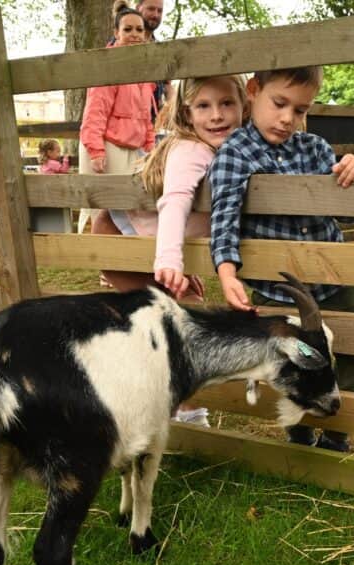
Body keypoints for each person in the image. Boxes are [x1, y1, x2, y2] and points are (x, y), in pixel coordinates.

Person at [209, 66, 354, 453]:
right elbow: (224, 215)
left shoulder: (315, 148)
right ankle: (298, 434)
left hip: (332, 279)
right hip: (276, 287)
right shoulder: (236, 152)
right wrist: (227, 271)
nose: (288, 119)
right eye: (279, 103)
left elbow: (347, 212)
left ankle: (338, 436)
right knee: (288, 364)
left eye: (300, 110)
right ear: (253, 91)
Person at [95, 74, 248, 427]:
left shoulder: (230, 149)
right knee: (184, 321)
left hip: (143, 235)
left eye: (227, 104)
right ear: (186, 112)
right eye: (204, 106)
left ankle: (165, 405)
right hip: (120, 234)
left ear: (244, 105)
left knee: (177, 317)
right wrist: (170, 262)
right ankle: (184, 414)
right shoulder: (191, 150)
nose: (217, 116)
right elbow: (176, 201)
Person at [77, 1, 155, 232]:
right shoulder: (109, 65)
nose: (134, 35)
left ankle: (120, 262)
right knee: (113, 208)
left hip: (133, 148)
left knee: (136, 204)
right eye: (127, 29)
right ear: (116, 33)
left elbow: (146, 116)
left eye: (139, 30)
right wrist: (96, 150)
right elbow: (95, 111)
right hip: (108, 145)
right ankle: (108, 262)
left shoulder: (143, 70)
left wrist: (150, 147)